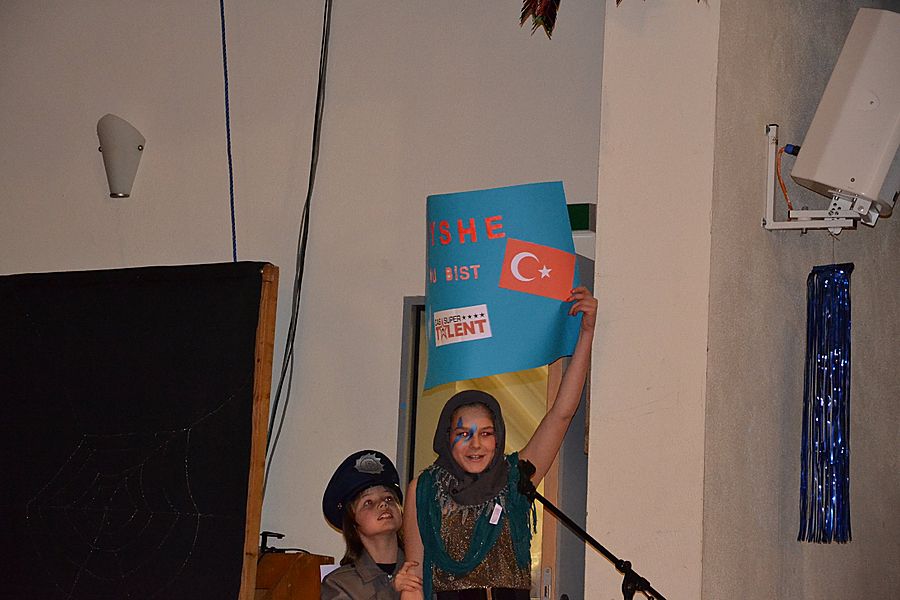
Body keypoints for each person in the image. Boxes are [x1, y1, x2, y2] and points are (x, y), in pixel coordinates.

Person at [402, 286, 597, 600]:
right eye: (463, 434)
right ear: (446, 437)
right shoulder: (423, 489)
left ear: (498, 438)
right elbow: (414, 576)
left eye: (486, 433)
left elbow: (561, 414)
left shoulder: (515, 478)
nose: (475, 444)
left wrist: (587, 332)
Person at [321, 450, 423, 599]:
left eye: (389, 498)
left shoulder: (422, 570)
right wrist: (393, 591)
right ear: (352, 522)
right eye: (368, 502)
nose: (383, 504)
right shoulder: (339, 583)